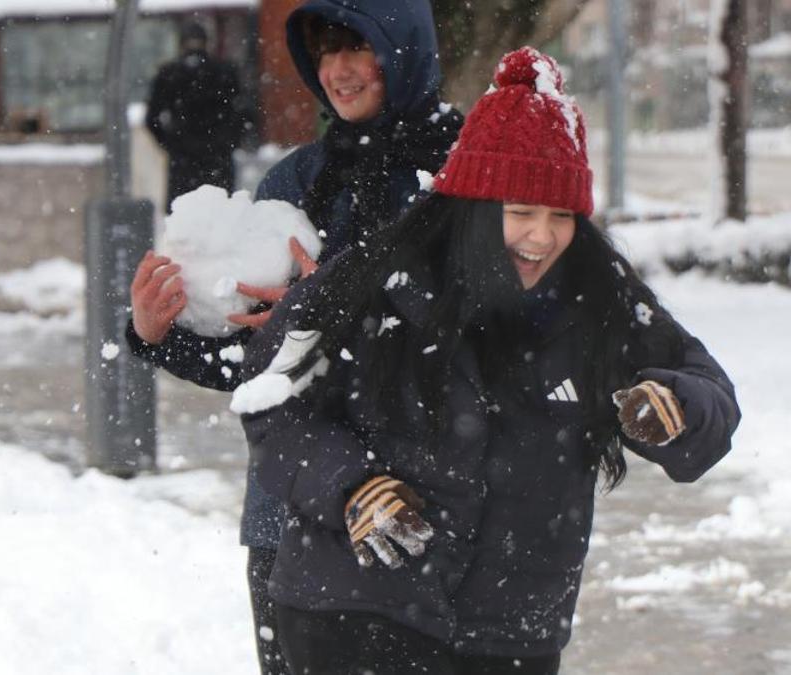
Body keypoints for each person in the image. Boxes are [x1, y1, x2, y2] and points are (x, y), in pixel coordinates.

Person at [236, 47, 741, 674]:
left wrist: (678, 409)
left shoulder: (599, 299)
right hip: (358, 608)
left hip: (513, 631)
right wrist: (350, 487)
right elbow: (271, 398)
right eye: (520, 212)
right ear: (470, 209)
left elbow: (706, 386)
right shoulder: (376, 279)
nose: (541, 237)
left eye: (562, 216)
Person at [127, 2, 463, 672]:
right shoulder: (296, 182)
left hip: (422, 511)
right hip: (293, 519)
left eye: (356, 47)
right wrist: (158, 332)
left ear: (403, 48)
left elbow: (480, 341)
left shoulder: (464, 179)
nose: (336, 70)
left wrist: (329, 312)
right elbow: (255, 368)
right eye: (324, 51)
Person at [145, 21, 246, 212]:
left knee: (183, 222)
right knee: (223, 217)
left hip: (183, 162)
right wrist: (229, 141)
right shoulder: (225, 72)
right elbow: (243, 112)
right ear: (207, 43)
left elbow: (152, 119)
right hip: (218, 159)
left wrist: (171, 144)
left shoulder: (168, 74)